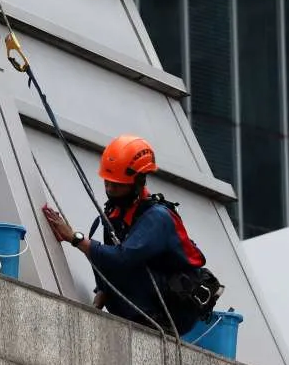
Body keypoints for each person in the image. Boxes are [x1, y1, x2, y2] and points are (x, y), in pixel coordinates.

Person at [41, 134, 211, 335]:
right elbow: (104, 261)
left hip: (174, 309)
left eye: (118, 185)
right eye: (107, 183)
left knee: (117, 258)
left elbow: (123, 258)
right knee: (103, 253)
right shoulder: (114, 216)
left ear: (138, 182)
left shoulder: (158, 218)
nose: (110, 190)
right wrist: (96, 304)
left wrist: (74, 238)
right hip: (146, 299)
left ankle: (150, 322)